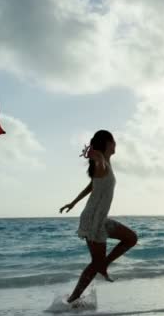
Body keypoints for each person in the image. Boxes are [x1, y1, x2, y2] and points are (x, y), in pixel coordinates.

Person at [59, 130, 138, 304]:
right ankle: (73, 300)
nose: (116, 144)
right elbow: (99, 166)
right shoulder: (101, 164)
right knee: (95, 263)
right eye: (114, 141)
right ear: (108, 143)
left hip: (100, 219)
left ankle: (103, 266)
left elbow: (91, 186)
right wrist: (97, 157)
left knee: (131, 238)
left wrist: (73, 203)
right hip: (93, 220)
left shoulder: (106, 164)